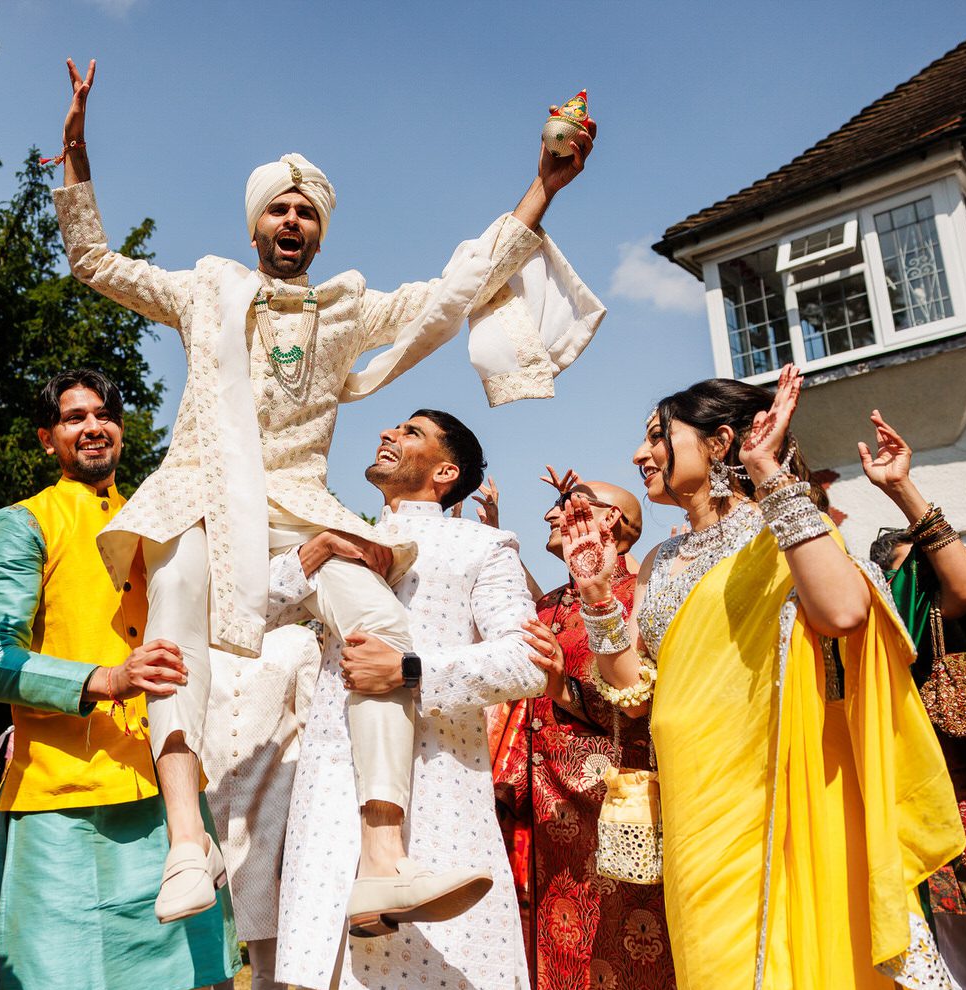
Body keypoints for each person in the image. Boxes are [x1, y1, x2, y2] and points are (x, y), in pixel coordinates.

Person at [51, 57, 604, 926]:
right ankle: (187, 849)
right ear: (256, 223)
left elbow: (456, 290)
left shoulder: (346, 313)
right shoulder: (205, 292)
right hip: (200, 494)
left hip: (303, 506)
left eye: (307, 211)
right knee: (175, 624)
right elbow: (91, 259)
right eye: (280, 205)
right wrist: (76, 153)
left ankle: (383, 861)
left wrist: (543, 187)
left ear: (319, 233)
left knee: (382, 624)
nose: (293, 218)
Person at [564, 367, 964, 990]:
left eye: (658, 436)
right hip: (693, 796)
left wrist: (771, 476)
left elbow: (843, 614)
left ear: (720, 443)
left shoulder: (784, 527)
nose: (641, 453)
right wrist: (596, 598)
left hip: (774, 784)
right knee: (712, 964)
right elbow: (632, 689)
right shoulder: (662, 560)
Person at [0, 369, 239, 990]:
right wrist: (106, 678)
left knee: (187, 988)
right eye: (73, 417)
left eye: (104, 414)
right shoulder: (23, 522)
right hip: (62, 801)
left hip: (166, 799)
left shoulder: (157, 524)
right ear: (47, 439)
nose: (93, 426)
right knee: (56, 987)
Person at [271, 410, 546, 990]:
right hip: (330, 783)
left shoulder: (483, 545)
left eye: (411, 432)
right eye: (391, 427)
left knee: (439, 978)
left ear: (446, 470)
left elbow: (527, 663)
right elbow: (244, 615)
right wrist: (312, 554)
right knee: (326, 976)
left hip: (439, 787)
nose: (387, 434)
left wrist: (412, 670)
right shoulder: (333, 538)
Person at [489, 474, 681, 990]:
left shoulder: (639, 595)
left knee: (624, 946)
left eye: (569, 507)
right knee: (553, 949)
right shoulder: (551, 600)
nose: (552, 516)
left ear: (611, 522)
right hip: (545, 806)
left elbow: (638, 701)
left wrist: (563, 689)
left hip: (609, 806)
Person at [860, 410, 966, 990]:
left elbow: (965, 583)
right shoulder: (865, 615)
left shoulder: (939, 600)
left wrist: (904, 491)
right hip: (911, 794)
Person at [203, 623, 322, 990]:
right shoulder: (197, 634)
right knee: (210, 943)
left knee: (270, 955)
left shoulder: (298, 640)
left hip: (273, 806)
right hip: (209, 804)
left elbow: (312, 728)